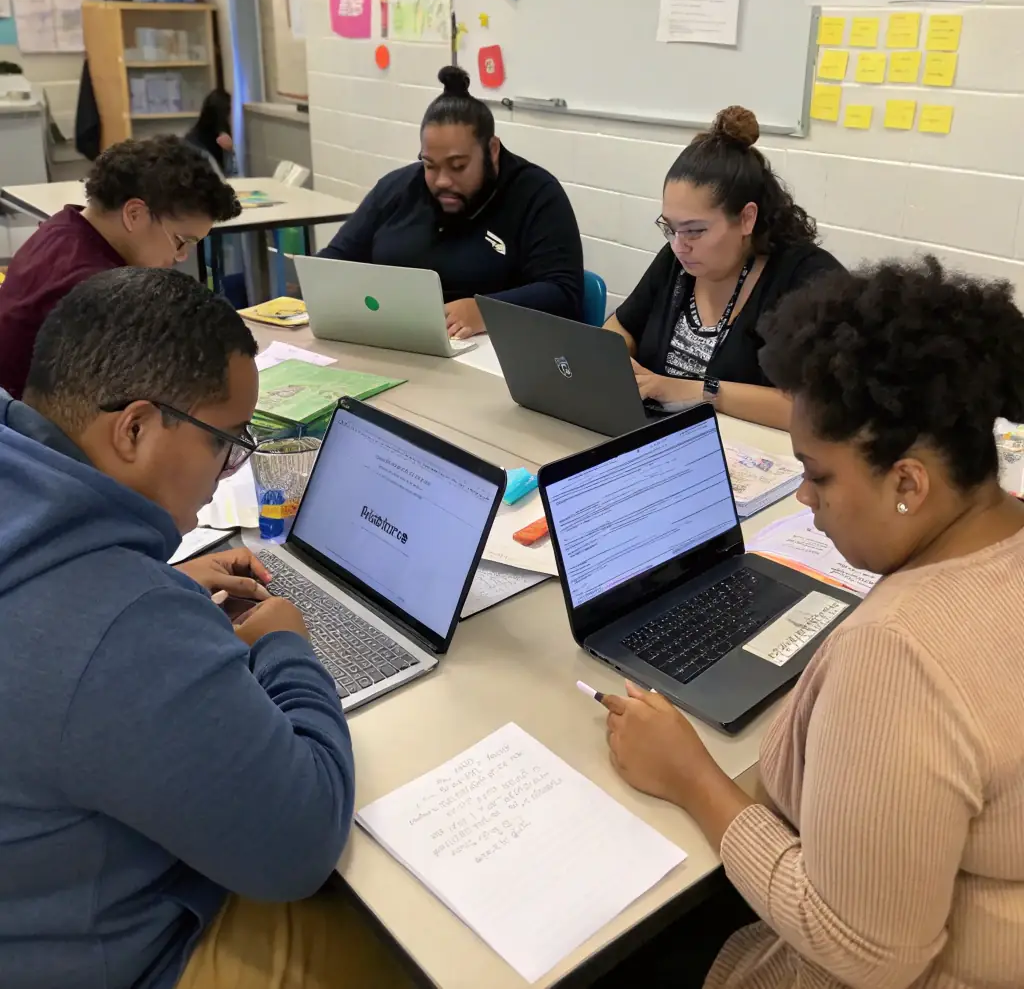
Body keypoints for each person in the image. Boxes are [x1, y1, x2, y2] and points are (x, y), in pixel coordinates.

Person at [600, 258, 1024, 989]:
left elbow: (864, 950)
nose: (802, 497)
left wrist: (693, 776)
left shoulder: (898, 653)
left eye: (818, 474)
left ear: (907, 482)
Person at [0, 267, 410, 989]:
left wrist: (159, 589)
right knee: (399, 935)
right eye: (226, 443)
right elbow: (300, 840)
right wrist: (284, 642)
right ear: (134, 427)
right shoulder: (120, 625)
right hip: (102, 958)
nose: (229, 471)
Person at [605, 105, 841, 430]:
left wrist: (702, 392)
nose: (679, 244)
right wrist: (617, 365)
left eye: (695, 230)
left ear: (746, 218)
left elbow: (819, 407)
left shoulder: (806, 279)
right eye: (670, 228)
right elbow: (619, 328)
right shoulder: (678, 258)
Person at [321, 65, 584, 338]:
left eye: (458, 166)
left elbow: (564, 293)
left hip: (496, 354)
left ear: (492, 150)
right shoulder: (399, 188)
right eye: (430, 165)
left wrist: (483, 311)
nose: (442, 180)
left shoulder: (536, 194)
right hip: (400, 340)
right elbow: (331, 262)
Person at [0, 135, 240, 399]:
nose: (182, 256)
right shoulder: (96, 287)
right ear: (134, 214)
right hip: (31, 429)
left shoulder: (63, 226)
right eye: (181, 241)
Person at [185, 87, 236, 174]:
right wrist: (229, 153)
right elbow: (230, 175)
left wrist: (229, 151)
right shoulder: (196, 146)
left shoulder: (193, 137)